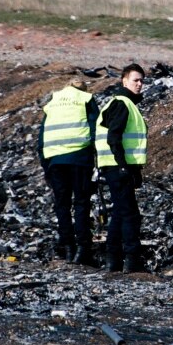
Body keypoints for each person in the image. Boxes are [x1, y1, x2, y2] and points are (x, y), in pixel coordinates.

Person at [38, 79, 99, 266]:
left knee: (62, 204)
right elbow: (96, 127)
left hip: (55, 159)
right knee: (81, 202)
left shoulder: (53, 102)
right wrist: (98, 156)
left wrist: (46, 165)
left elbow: (42, 136)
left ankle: (68, 246)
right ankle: (83, 249)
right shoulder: (85, 98)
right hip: (79, 157)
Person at [95, 63, 149, 273]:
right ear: (124, 81)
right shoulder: (122, 104)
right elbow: (114, 137)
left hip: (115, 168)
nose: (139, 84)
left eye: (142, 80)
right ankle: (132, 259)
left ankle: (113, 260)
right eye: (136, 80)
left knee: (119, 212)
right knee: (129, 214)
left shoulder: (123, 104)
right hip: (117, 168)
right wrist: (124, 166)